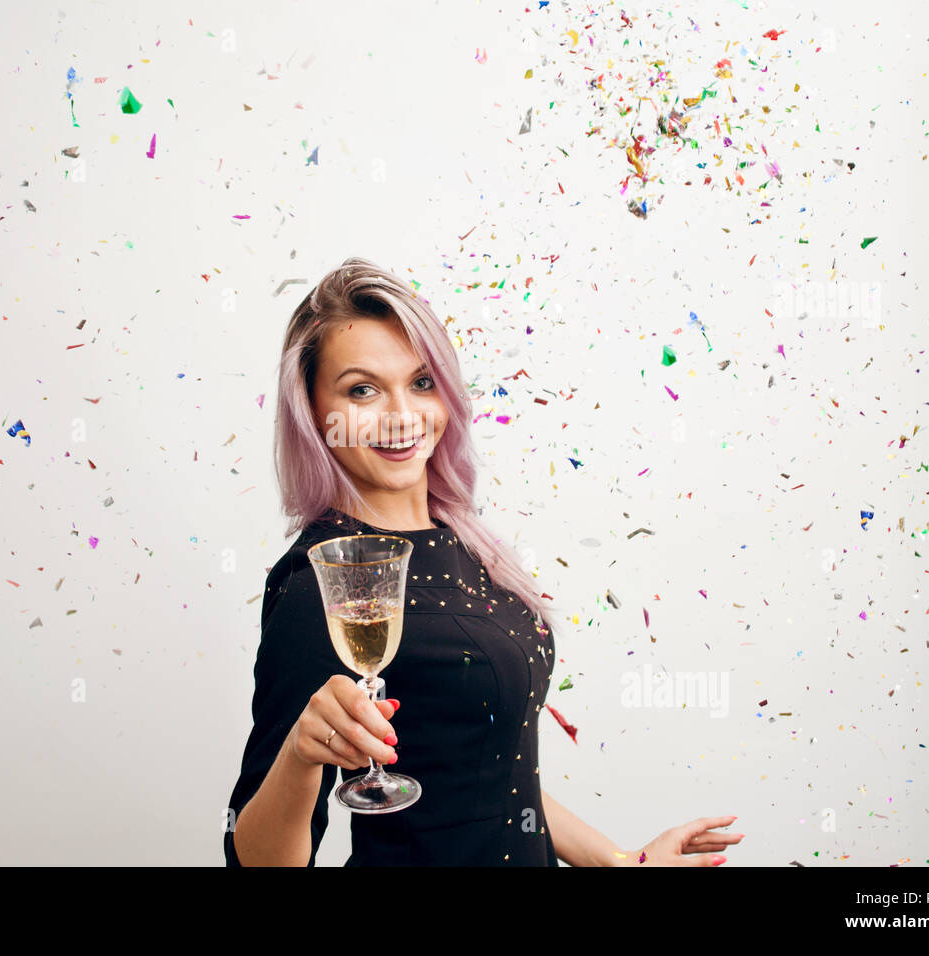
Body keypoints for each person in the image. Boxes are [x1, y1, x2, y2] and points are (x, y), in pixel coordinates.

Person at [224, 256, 745, 866]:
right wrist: (300, 755)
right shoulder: (326, 578)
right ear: (313, 413)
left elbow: (488, 775)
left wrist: (624, 863)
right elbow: (253, 860)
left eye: (421, 382)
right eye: (361, 390)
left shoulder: (462, 537)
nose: (402, 415)